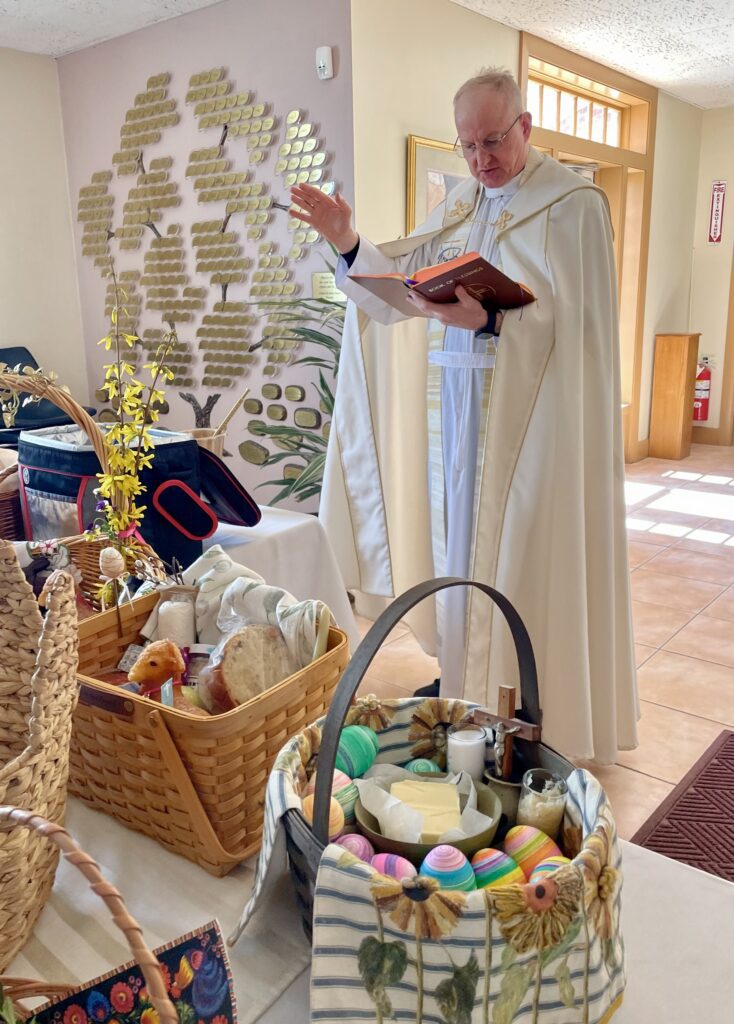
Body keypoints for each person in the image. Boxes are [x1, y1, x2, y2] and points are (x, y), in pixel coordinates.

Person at [291, 68, 638, 764]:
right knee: (459, 555)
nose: (482, 159)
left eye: (494, 140)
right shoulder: (460, 205)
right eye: (469, 144)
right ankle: (466, 690)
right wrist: (348, 240)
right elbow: (396, 287)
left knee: (524, 561)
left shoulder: (573, 206)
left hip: (535, 432)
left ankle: (532, 709)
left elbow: (581, 336)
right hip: (457, 424)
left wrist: (494, 324)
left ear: (525, 128)